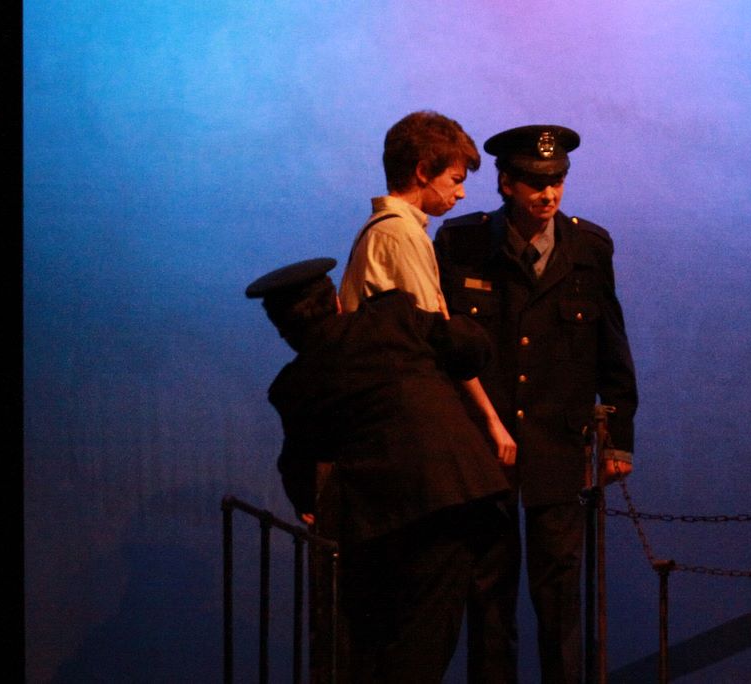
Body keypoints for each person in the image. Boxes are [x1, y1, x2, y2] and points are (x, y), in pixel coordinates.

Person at [434, 125, 639, 683]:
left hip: (558, 443)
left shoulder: (588, 247)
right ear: (505, 183)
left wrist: (618, 440)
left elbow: (611, 346)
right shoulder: (463, 243)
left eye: (558, 181)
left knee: (560, 598)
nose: (549, 194)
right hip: (486, 448)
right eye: (535, 182)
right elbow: (443, 349)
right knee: (489, 595)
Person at [246, 257, 511, 683]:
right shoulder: (392, 317)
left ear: (283, 331)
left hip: (381, 523)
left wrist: (305, 501)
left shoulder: (294, 385)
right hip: (453, 493)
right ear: (336, 301)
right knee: (425, 640)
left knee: (386, 643)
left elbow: (299, 463)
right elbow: (470, 349)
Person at [339, 110, 516, 465]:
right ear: (422, 172)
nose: (461, 193)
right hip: (396, 422)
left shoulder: (384, 227)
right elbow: (435, 337)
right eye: (455, 179)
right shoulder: (400, 234)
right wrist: (491, 419)